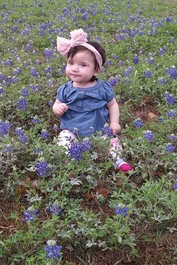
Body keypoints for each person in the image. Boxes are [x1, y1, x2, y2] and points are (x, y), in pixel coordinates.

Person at [52, 28, 133, 172]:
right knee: (63, 138)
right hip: (72, 131)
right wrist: (57, 108)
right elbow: (57, 104)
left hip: (99, 130)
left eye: (83, 65)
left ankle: (117, 159)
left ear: (96, 70)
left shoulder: (103, 88)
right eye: (71, 63)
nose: (75, 69)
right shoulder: (65, 89)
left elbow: (112, 104)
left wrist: (114, 122)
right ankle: (70, 161)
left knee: (112, 139)